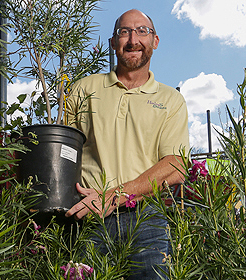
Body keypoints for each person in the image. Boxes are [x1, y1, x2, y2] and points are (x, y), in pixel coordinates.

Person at [64, 9, 190, 279]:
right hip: (89, 217)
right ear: (113, 42)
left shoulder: (170, 100)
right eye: (125, 32)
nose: (133, 39)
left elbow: (176, 166)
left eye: (142, 31)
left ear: (155, 41)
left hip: (146, 220)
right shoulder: (84, 89)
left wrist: (114, 196)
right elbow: (63, 152)